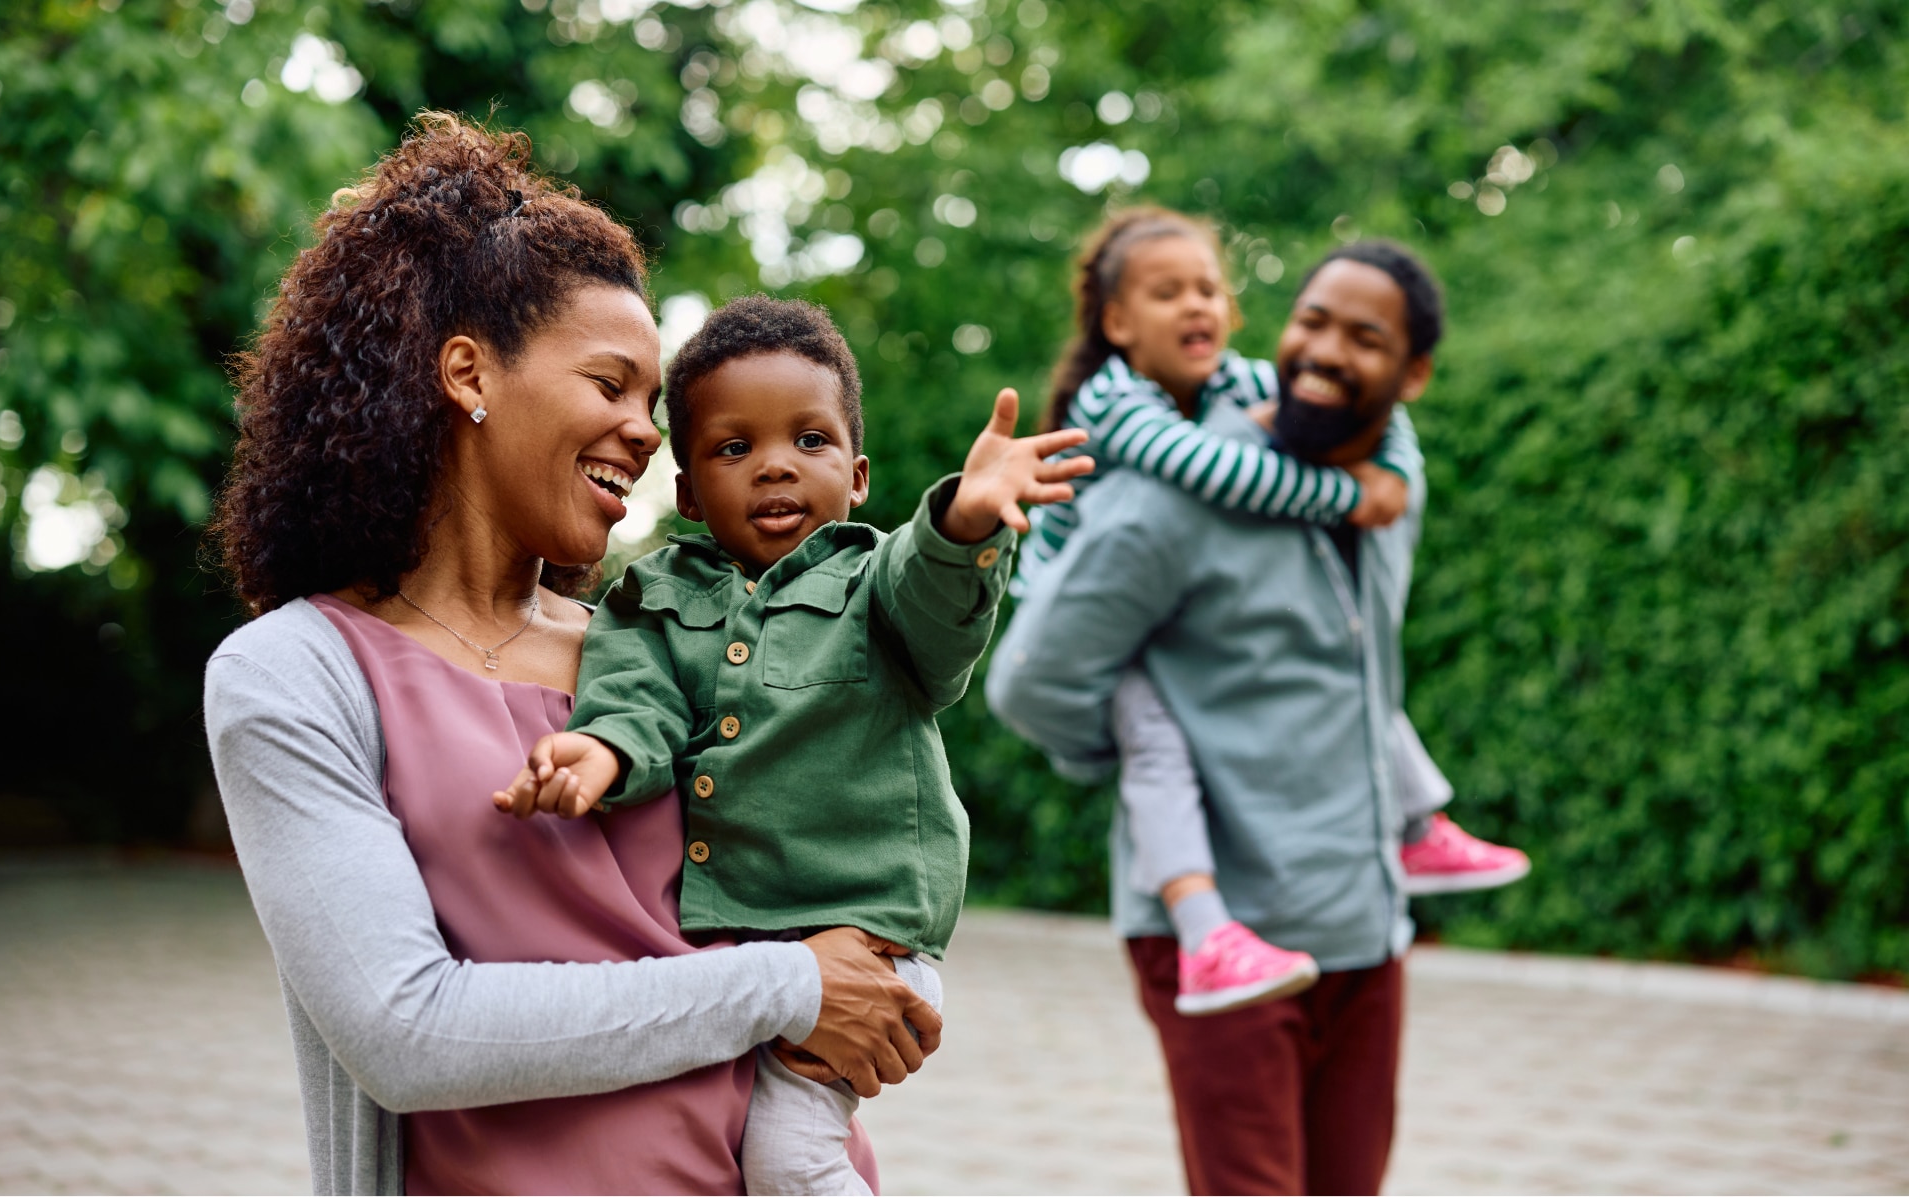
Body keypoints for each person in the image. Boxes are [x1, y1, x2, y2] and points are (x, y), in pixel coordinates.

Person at [203, 114, 937, 1195]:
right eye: (611, 385)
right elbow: (410, 1033)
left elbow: (856, 857)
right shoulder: (294, 675)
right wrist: (787, 985)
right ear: (468, 375)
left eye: (655, 404)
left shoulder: (666, 651)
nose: (647, 432)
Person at [493, 295, 1092, 1195]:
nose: (775, 467)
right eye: (736, 448)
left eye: (808, 441)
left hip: (868, 945)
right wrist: (601, 754)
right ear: (689, 490)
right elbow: (634, 699)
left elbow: (932, 597)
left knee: (788, 1159)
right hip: (749, 953)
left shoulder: (873, 584)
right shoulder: (651, 599)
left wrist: (964, 523)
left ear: (855, 475)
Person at [987, 239, 1467, 1194]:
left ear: (1412, 375)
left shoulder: (1388, 497)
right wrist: (1145, 750)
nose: (1324, 350)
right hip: (1225, 934)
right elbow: (1031, 683)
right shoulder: (1170, 496)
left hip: (1365, 928)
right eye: (1314, 320)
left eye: (1363, 338)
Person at [1014, 207, 1527, 1017]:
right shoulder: (1114, 403)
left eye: (1209, 288)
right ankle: (1203, 926)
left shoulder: (1236, 381)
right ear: (1117, 322)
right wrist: (1351, 492)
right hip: (1075, 608)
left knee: (1344, 656)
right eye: (1166, 292)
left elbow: (1376, 423)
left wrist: (1397, 463)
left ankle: (1416, 821)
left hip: (1340, 898)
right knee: (1158, 745)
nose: (1196, 306)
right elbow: (1225, 474)